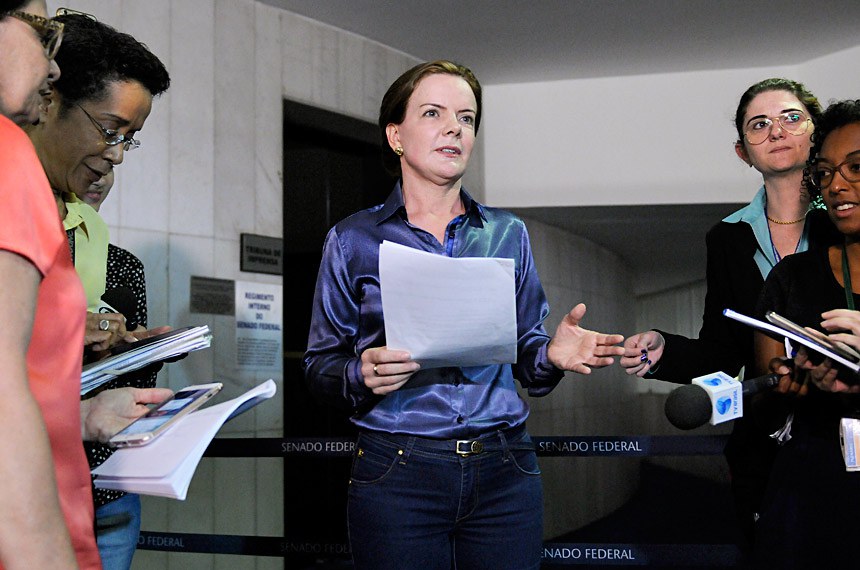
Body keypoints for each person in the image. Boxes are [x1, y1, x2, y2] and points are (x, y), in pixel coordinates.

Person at [303, 60, 625, 570]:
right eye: (433, 113)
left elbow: (527, 358)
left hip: (506, 468)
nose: (455, 127)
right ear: (396, 136)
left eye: (467, 118)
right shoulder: (352, 240)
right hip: (397, 472)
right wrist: (358, 373)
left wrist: (550, 354)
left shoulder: (507, 233)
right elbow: (319, 365)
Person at [619, 78, 840, 547]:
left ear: (817, 133)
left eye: (791, 118)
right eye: (759, 125)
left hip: (841, 430)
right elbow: (721, 350)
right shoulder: (726, 237)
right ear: (744, 152)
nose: (776, 131)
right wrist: (663, 350)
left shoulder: (846, 218)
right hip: (764, 439)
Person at [0, 2, 170, 567]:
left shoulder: (55, 205)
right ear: (52, 102)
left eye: (129, 139)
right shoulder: (11, 164)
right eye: (110, 130)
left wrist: (84, 414)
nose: (116, 154)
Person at [751, 99, 860, 568]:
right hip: (812, 491)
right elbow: (764, 398)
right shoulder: (792, 277)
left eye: (856, 168)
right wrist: (786, 383)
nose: (836, 185)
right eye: (825, 173)